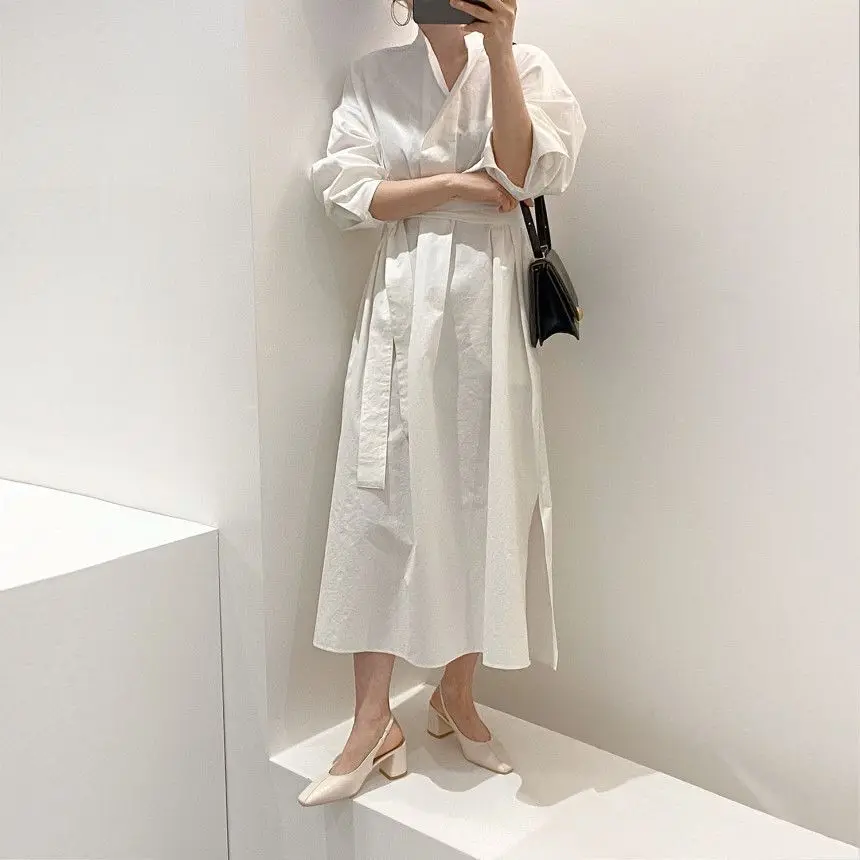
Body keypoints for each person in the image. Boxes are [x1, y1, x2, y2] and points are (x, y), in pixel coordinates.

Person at [298, 0, 586, 807]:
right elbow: (350, 194)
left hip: (487, 303)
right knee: (381, 496)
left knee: (483, 491)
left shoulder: (528, 68)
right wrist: (457, 184)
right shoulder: (374, 76)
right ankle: (371, 721)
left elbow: (523, 175)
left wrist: (502, 48)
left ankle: (456, 696)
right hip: (402, 294)